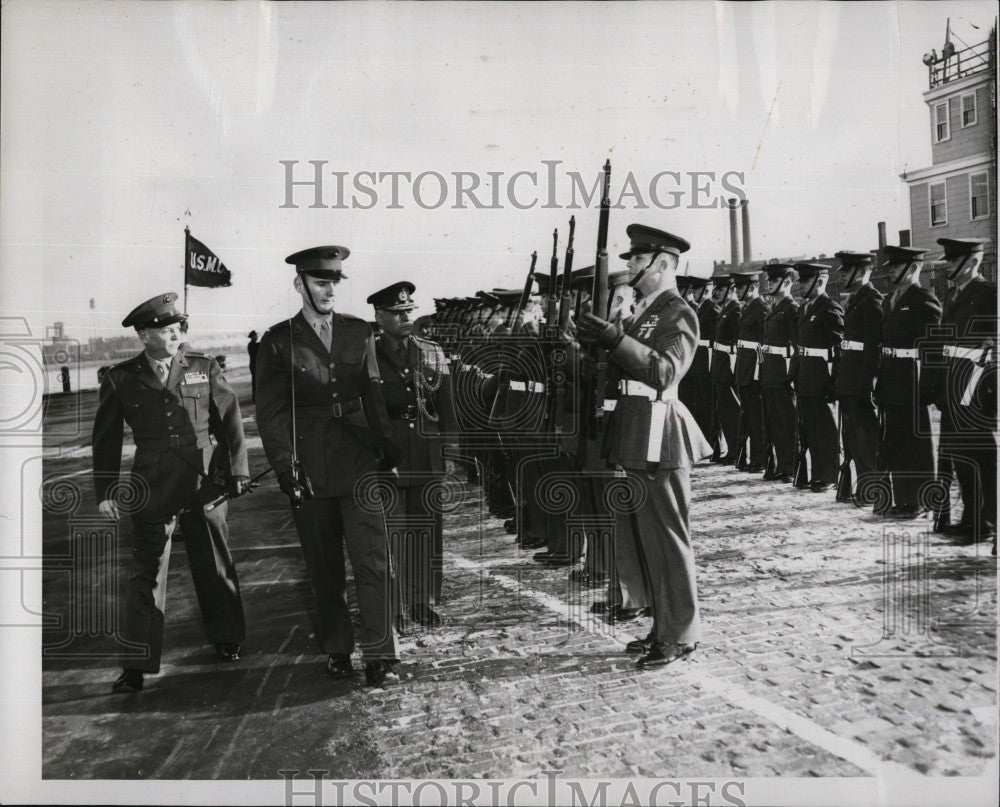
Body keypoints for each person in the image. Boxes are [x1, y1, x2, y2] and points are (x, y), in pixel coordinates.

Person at [254, 245, 400, 687]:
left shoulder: (359, 332)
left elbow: (374, 397)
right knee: (324, 568)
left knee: (375, 563)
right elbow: (271, 413)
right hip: (310, 471)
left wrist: (386, 456)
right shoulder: (278, 341)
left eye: (335, 282)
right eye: (320, 282)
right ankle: (338, 648)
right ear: (300, 285)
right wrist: (285, 469)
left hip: (358, 463)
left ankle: (381, 655)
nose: (329, 290)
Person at [93, 293, 250, 694]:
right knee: (146, 572)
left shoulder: (202, 366)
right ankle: (136, 664)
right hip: (151, 484)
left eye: (179, 326)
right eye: (166, 329)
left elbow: (229, 420)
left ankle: (228, 638)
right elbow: (106, 439)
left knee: (214, 561)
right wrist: (106, 490)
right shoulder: (120, 378)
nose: (177, 333)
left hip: (203, 479)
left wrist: (237, 472)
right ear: (145, 336)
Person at [577, 223, 711, 669]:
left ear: (664, 264)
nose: (630, 265)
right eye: (632, 258)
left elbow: (664, 372)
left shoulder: (678, 312)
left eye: (638, 259)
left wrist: (615, 340)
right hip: (635, 431)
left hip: (660, 431)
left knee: (669, 538)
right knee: (647, 539)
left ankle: (681, 634)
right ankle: (661, 627)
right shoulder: (643, 311)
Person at [367, 281, 460, 629]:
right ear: (379, 316)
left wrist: (450, 450)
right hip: (388, 454)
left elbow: (447, 406)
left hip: (426, 450)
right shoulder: (368, 354)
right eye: (397, 312)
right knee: (391, 533)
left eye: (409, 311)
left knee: (427, 529)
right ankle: (394, 607)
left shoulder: (432, 351)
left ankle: (423, 600)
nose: (406, 317)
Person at [927, 238, 997, 546]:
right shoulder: (954, 296)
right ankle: (971, 518)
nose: (948, 266)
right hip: (953, 384)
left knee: (980, 454)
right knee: (960, 454)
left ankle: (987, 521)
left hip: (975, 386)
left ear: (971, 262)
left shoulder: (988, 294)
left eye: (953, 261)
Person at [874, 245, 942, 519]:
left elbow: (935, 348)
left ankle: (921, 501)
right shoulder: (890, 299)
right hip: (892, 377)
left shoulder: (923, 299)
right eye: (890, 265)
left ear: (913, 268)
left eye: (896, 265)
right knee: (897, 442)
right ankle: (903, 498)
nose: (890, 269)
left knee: (917, 443)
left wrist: (928, 386)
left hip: (912, 379)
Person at [833, 251, 883, 504]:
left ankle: (874, 490)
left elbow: (873, 348)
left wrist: (868, 384)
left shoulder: (872, 301)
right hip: (850, 381)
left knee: (866, 438)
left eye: (846, 270)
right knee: (854, 438)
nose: (841, 274)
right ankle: (865, 486)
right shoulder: (856, 300)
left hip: (860, 383)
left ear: (861, 272)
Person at [791, 262, 845, 493]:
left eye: (804, 281)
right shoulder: (804, 309)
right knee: (810, 428)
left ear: (820, 281)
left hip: (822, 377)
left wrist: (834, 382)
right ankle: (817, 473)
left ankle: (829, 475)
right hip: (805, 376)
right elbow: (799, 346)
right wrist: (793, 374)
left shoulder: (829, 308)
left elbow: (839, 348)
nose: (800, 285)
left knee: (825, 428)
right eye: (800, 280)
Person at [759, 264, 800, 483]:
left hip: (782, 375)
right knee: (775, 422)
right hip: (770, 373)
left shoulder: (792, 309)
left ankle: (791, 466)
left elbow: (797, 347)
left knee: (787, 422)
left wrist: (791, 377)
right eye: (769, 280)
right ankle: (781, 465)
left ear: (787, 283)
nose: (769, 284)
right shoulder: (773, 308)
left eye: (773, 281)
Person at [732, 271, 768, 472]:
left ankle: (760, 458)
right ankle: (752, 457)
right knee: (748, 415)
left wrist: (759, 370)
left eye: (740, 287)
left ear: (752, 288)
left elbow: (763, 345)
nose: (736, 291)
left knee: (756, 416)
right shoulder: (748, 308)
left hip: (753, 369)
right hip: (743, 368)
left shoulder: (761, 308)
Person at [709, 272, 741, 463]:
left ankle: (736, 451)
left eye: (721, 288)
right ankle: (731, 450)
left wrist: (733, 367)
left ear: (731, 290)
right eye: (716, 288)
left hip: (728, 367)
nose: (716, 292)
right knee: (724, 411)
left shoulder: (735, 310)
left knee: (731, 411)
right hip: (720, 366)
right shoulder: (725, 309)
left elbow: (737, 343)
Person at [247, 331, 260, 396]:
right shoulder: (252, 345)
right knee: (255, 381)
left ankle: (255, 397)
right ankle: (255, 397)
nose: (257, 337)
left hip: (253, 364)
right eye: (256, 335)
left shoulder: (252, 344)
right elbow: (258, 346)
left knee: (255, 381)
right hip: (254, 365)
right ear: (253, 337)